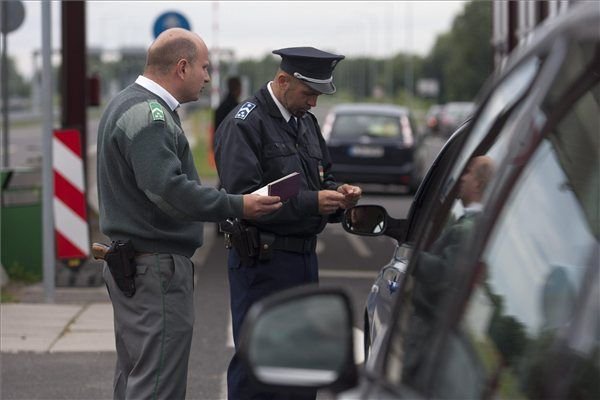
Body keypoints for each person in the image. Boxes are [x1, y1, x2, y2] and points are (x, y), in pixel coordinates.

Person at [96, 28, 282, 400]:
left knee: (136, 377)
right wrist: (239, 204)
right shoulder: (151, 116)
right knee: (157, 385)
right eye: (204, 67)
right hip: (156, 272)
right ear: (182, 67)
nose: (209, 77)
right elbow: (169, 191)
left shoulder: (125, 104)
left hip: (135, 265)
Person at [214, 46, 362, 400]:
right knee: (258, 365)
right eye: (308, 93)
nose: (313, 103)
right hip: (263, 263)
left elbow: (321, 176)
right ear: (282, 81)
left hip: (302, 261)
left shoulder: (305, 123)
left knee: (302, 364)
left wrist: (339, 195)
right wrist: (313, 201)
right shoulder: (244, 124)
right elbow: (246, 199)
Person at [403, 155, 496, 386]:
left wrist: (411, 257)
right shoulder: (475, 223)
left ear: (477, 183)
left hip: (428, 327)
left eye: (468, 173)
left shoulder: (467, 228)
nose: (462, 178)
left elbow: (442, 273)